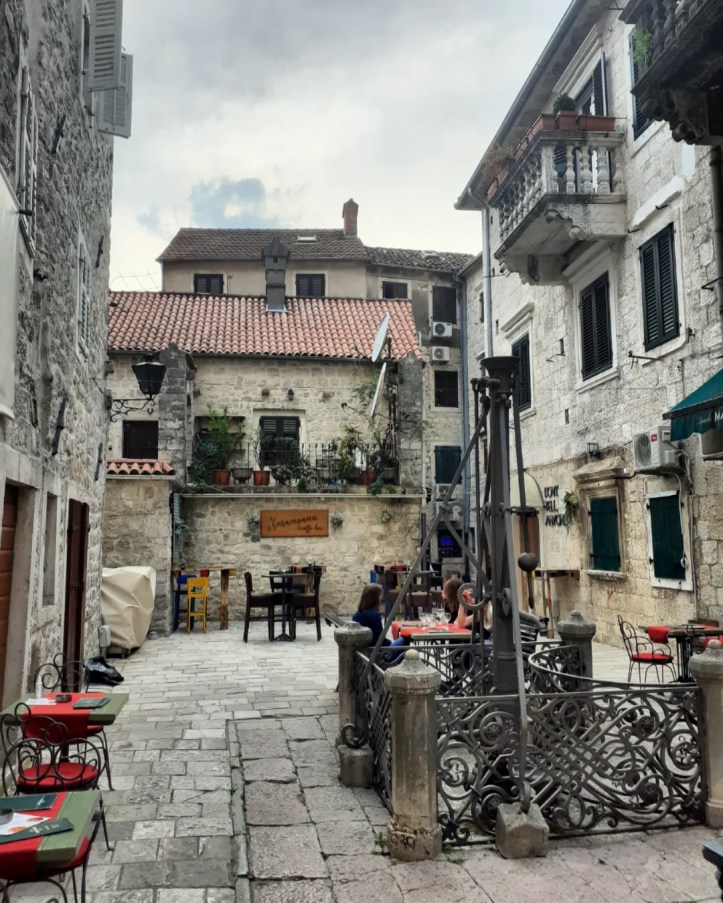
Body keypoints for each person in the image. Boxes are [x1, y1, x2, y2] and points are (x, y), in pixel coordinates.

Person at [352, 583, 407, 657]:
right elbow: (380, 640)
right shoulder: (374, 615)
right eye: (380, 595)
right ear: (375, 597)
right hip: (377, 653)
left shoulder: (356, 615)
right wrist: (390, 643)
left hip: (364, 651)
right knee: (405, 639)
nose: (381, 597)